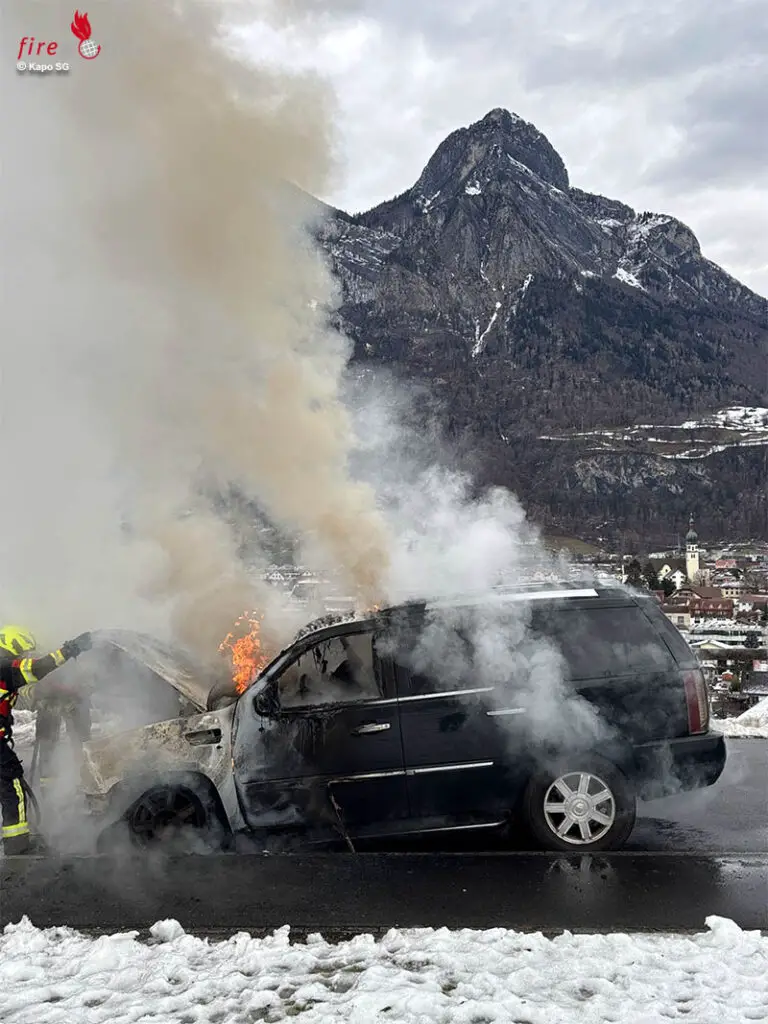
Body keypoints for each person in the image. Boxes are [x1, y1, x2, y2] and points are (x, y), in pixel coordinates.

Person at [0, 625, 92, 854]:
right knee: (12, 784)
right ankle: (17, 844)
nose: (22, 657)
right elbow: (38, 668)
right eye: (21, 653)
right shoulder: (5, 668)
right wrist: (70, 649)